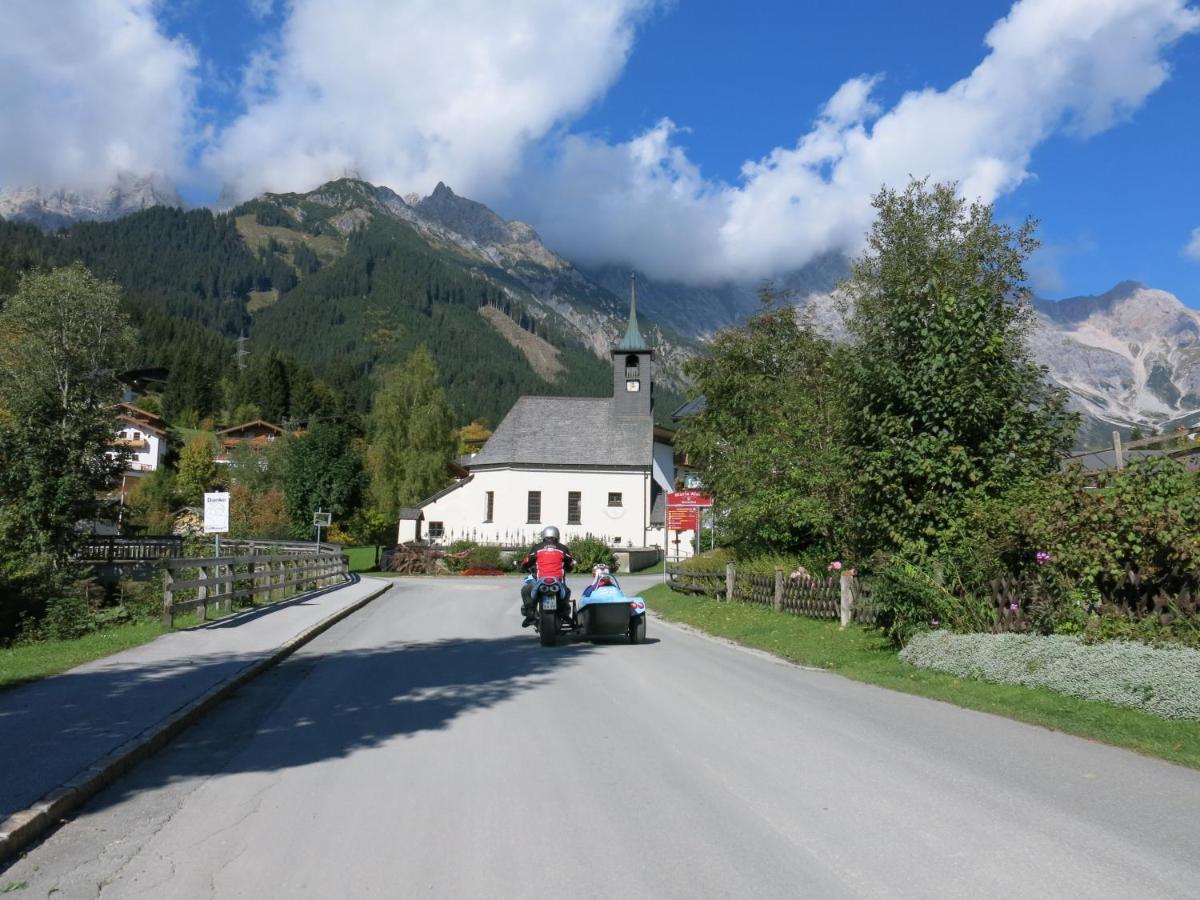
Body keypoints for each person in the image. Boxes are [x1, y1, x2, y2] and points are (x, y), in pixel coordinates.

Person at [518, 526, 575, 627]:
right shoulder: (563, 548)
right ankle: (564, 614)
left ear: (544, 536)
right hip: (557, 581)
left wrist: (522, 566)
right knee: (567, 591)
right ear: (557, 536)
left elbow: (527, 561)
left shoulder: (537, 547)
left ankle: (530, 615)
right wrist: (568, 567)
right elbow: (570, 564)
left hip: (540, 581)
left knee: (525, 590)